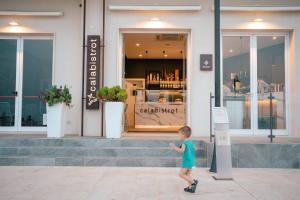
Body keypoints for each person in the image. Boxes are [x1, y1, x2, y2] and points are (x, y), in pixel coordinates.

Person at [169, 126, 198, 193]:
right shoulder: (190, 142)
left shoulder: (184, 143)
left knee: (181, 174)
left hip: (187, 162)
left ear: (183, 135)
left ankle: (193, 182)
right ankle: (191, 188)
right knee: (187, 175)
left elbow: (181, 151)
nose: (179, 136)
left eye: (179, 134)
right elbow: (195, 148)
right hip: (191, 161)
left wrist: (174, 147)